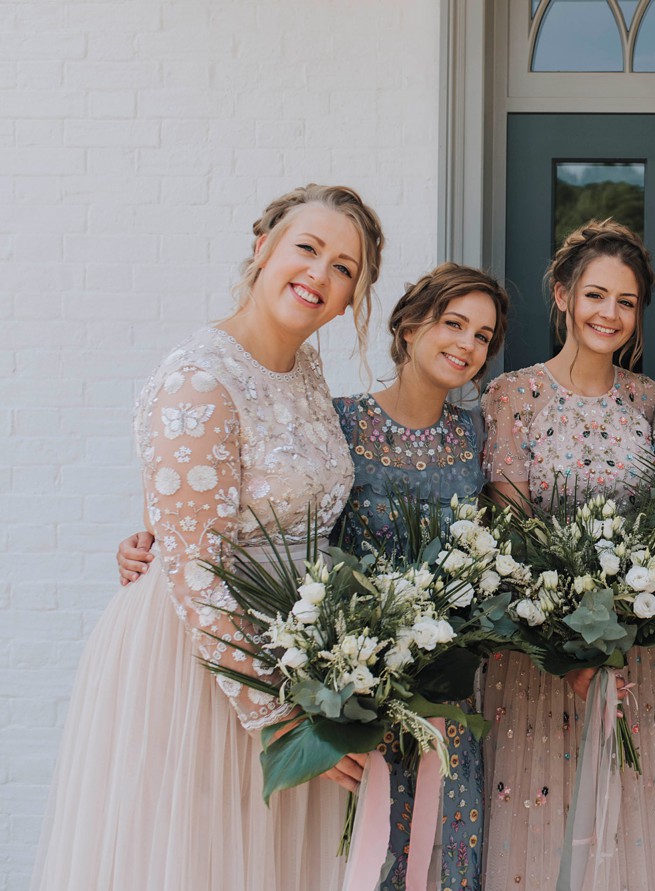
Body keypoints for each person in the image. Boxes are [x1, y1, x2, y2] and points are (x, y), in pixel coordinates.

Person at [116, 262, 509, 891]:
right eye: (453, 323)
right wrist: (149, 539)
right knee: (347, 855)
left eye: (483, 336)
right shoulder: (339, 422)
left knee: (443, 849)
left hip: (445, 685)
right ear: (408, 327)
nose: (467, 343)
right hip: (344, 684)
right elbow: (261, 491)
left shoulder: (479, 435)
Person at [35, 183, 385, 891]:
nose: (321, 274)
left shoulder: (306, 368)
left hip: (291, 653)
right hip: (202, 664)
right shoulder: (199, 377)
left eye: (345, 267)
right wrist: (281, 720)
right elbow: (195, 566)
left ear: (354, 295)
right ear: (264, 249)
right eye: (308, 249)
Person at [479, 219, 655, 890]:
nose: (610, 313)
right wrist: (563, 645)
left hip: (634, 655)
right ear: (564, 294)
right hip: (539, 661)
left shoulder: (650, 401)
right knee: (544, 817)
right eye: (596, 295)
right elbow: (508, 537)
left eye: (625, 302)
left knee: (632, 817)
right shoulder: (513, 395)